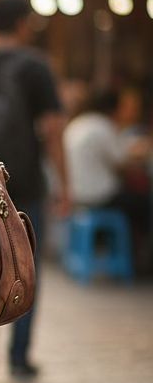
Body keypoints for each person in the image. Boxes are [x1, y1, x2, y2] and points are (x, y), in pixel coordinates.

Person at [0, 0, 70, 378]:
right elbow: (53, 129)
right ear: (25, 22)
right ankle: (18, 353)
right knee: (26, 266)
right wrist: (64, 185)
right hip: (25, 181)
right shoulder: (35, 65)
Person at [63, 87, 152, 271]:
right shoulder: (102, 126)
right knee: (145, 204)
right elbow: (122, 164)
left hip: (76, 194)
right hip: (99, 196)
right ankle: (142, 262)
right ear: (114, 108)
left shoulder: (79, 123)